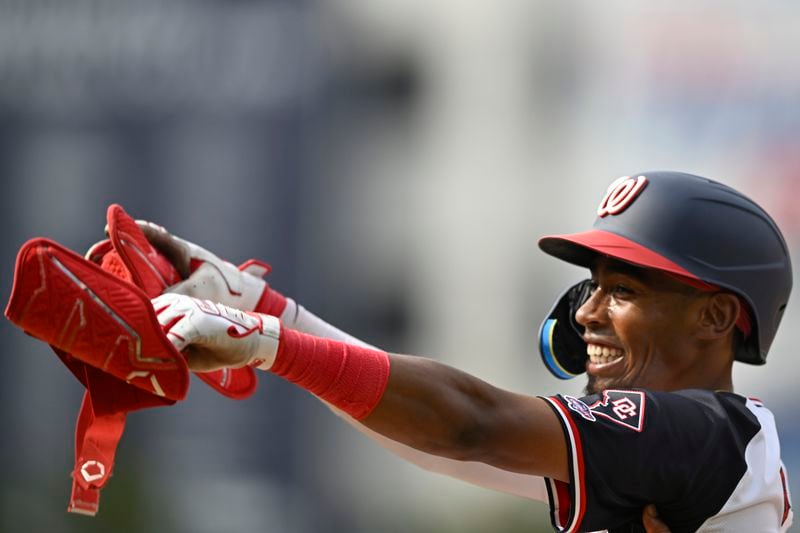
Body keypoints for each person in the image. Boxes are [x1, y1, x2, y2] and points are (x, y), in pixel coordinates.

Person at [143, 171, 793, 532]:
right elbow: (435, 443)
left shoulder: (705, 434)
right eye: (588, 288)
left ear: (715, 316)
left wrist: (271, 343)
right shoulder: (677, 450)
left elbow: (468, 423)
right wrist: (271, 310)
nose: (587, 312)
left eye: (621, 290)